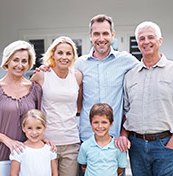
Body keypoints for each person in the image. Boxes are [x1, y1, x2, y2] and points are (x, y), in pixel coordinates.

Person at [115, 21, 173, 176]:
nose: (146, 42)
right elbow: (126, 110)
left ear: (159, 41)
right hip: (137, 146)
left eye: (150, 37)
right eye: (141, 38)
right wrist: (123, 135)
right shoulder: (130, 75)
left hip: (166, 144)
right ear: (138, 43)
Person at [74, 14, 139, 142]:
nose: (101, 38)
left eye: (105, 33)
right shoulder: (80, 63)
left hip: (114, 138)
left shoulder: (126, 60)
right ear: (90, 36)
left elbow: (146, 70)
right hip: (87, 137)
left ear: (112, 35)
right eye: (96, 34)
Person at [31, 36, 82, 176]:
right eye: (60, 52)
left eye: (68, 53)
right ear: (53, 54)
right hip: (46, 141)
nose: (64, 57)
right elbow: (29, 103)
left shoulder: (77, 76)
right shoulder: (42, 75)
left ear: (73, 56)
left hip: (71, 141)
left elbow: (79, 106)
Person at [0, 40, 42, 176]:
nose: (20, 65)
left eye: (24, 61)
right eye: (15, 60)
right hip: (0, 157)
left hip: (28, 157)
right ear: (7, 61)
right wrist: (7, 140)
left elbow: (39, 122)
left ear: (29, 64)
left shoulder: (35, 89)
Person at [77, 103, 127, 176]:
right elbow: (84, 165)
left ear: (111, 123)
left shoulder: (118, 147)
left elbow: (120, 169)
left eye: (104, 122)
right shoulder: (85, 146)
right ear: (91, 123)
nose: (100, 126)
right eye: (96, 122)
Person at [10, 109, 58, 176]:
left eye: (38, 128)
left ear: (45, 127)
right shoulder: (19, 150)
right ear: (23, 128)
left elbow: (54, 173)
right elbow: (13, 174)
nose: (34, 132)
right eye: (29, 128)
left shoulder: (50, 149)